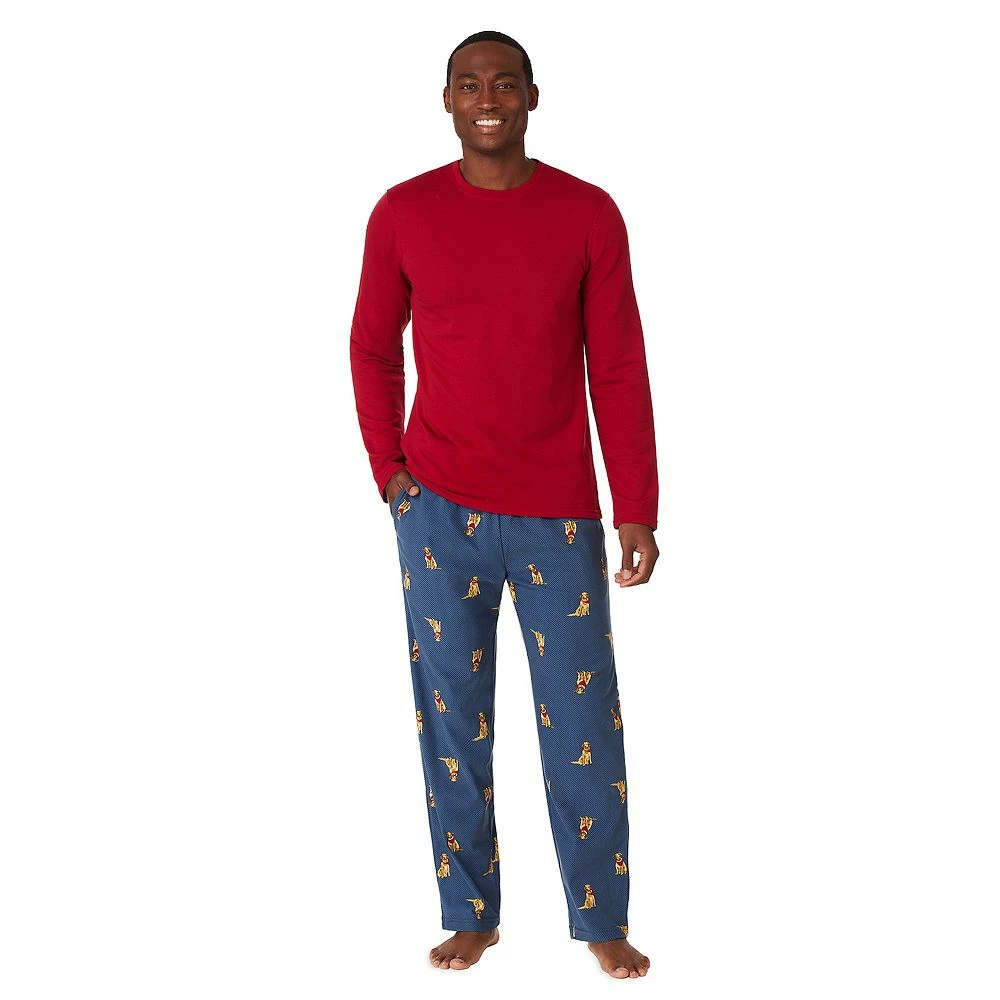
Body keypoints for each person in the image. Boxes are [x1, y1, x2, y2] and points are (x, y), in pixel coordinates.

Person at [349, 30, 658, 979]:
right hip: (438, 511)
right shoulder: (402, 212)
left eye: (506, 83)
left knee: (585, 728)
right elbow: (371, 346)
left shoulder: (588, 213)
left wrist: (637, 506)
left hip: (559, 517)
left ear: (532, 95)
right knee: (453, 724)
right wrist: (390, 473)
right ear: (448, 100)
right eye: (470, 84)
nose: (488, 99)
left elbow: (617, 365)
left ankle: (600, 918)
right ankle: (471, 913)